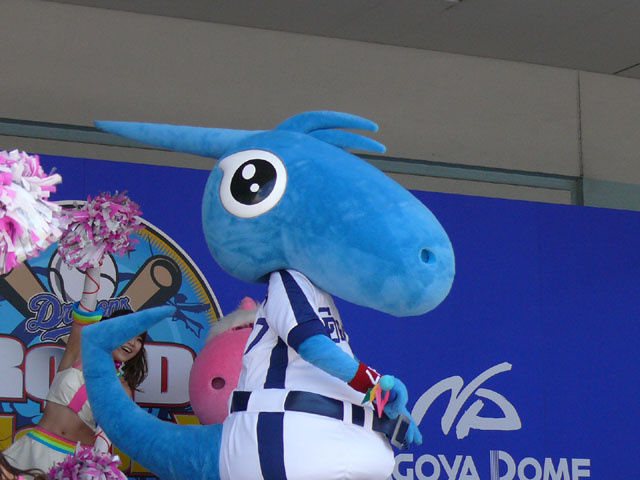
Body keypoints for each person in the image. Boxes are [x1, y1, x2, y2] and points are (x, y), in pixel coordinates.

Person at [3, 306, 147, 476]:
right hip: (34, 451)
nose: (132, 342)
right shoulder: (77, 354)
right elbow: (85, 309)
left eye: (138, 339)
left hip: (74, 466)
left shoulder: (122, 389)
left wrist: (94, 469)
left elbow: (106, 436)